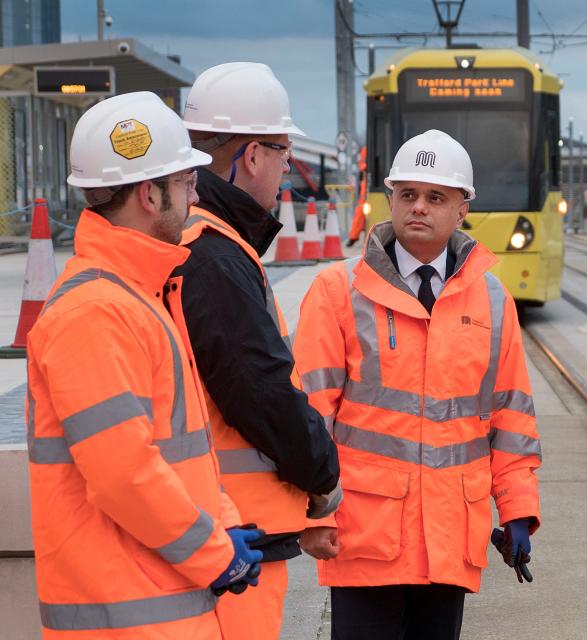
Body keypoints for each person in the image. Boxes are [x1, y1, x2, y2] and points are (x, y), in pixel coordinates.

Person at [26, 91, 264, 639]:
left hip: (159, 609)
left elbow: (179, 454)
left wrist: (225, 523)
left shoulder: (135, 295)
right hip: (133, 619)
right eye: (184, 182)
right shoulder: (98, 312)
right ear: (149, 195)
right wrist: (213, 553)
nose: (195, 194)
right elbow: (122, 474)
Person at [294, 129, 542, 640]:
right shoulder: (338, 291)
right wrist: (311, 510)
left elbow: (511, 419)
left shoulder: (493, 301)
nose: (419, 208)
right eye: (407, 194)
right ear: (391, 200)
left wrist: (518, 510)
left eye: (435, 197)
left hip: (451, 536)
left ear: (462, 209)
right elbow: (309, 416)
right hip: (365, 536)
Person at [178, 62, 341, 640]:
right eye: (282, 154)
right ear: (251, 156)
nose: (285, 170)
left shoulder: (194, 240)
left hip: (215, 527)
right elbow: (263, 390)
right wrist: (322, 472)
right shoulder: (217, 258)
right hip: (237, 539)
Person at [346, 146, 368, 247]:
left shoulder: (366, 148)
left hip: (369, 182)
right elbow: (362, 165)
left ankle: (354, 236)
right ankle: (353, 236)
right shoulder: (366, 149)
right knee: (361, 210)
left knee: (361, 210)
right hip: (368, 182)